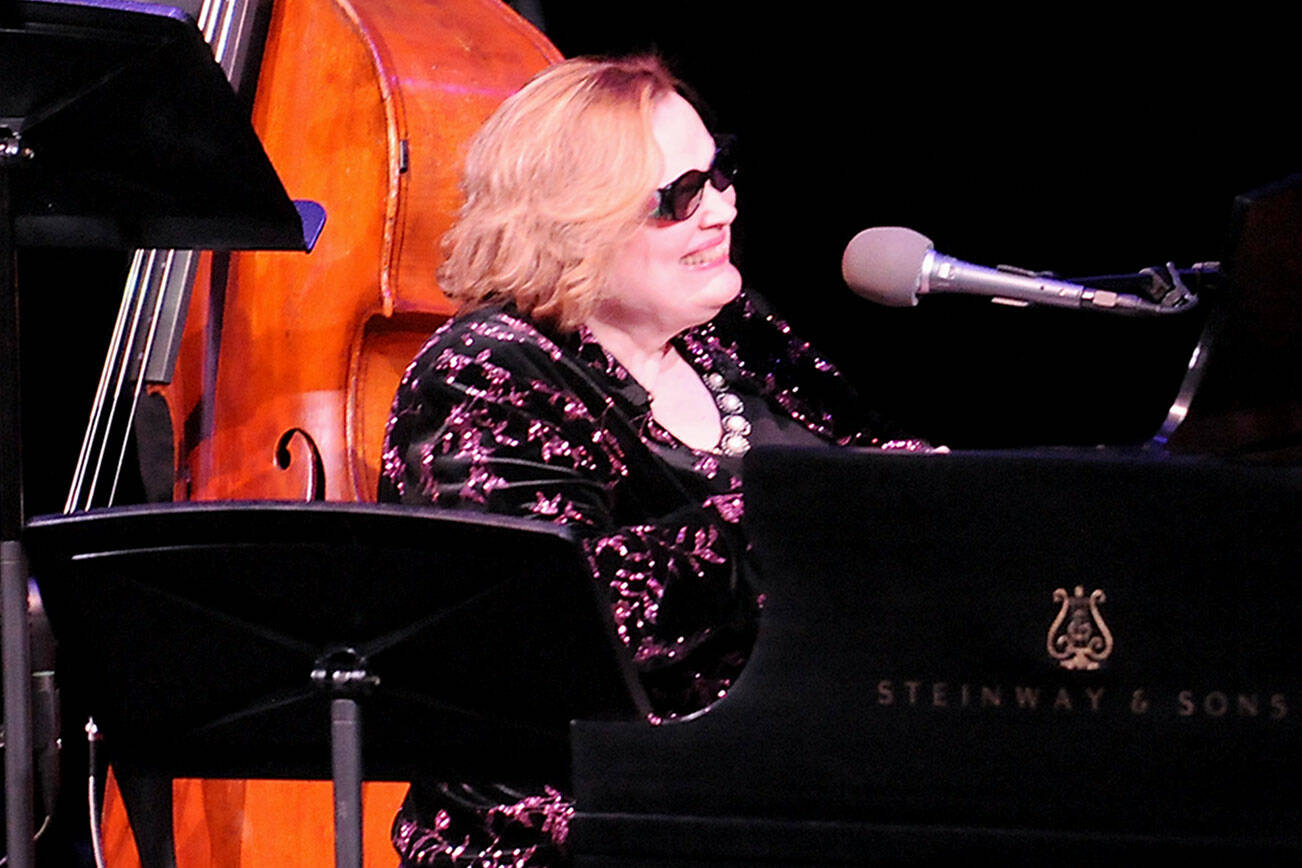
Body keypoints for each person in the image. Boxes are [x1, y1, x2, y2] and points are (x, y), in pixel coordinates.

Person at [379, 54, 929, 867]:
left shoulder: (727, 330)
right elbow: (566, 628)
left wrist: (943, 496)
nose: (723, 209)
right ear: (572, 221)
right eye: (680, 198)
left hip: (789, 790)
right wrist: (806, 511)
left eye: (720, 172)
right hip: (583, 834)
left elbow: (868, 462)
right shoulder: (489, 371)